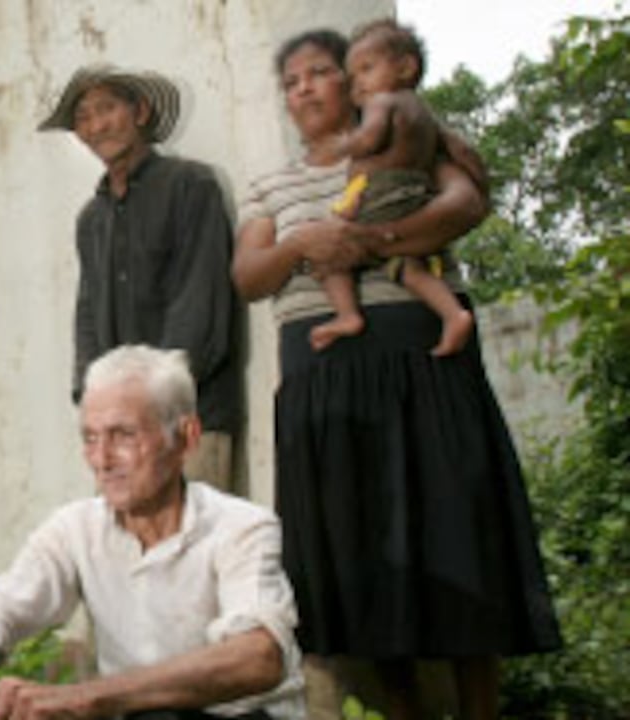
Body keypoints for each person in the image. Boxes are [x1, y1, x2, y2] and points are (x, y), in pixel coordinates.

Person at [231, 28, 560, 720]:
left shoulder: (412, 141)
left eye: (320, 73)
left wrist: (367, 241)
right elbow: (249, 276)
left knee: (461, 541)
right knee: (355, 561)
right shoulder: (270, 185)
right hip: (323, 378)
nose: (305, 89)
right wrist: (299, 242)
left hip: (424, 356)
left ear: (351, 82)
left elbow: (463, 206)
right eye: (291, 82)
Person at [0, 345, 304, 720]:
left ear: (186, 437)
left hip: (245, 717)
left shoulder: (240, 526)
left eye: (124, 435)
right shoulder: (74, 529)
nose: (101, 460)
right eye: (90, 438)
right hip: (137, 713)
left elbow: (260, 658)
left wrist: (81, 700)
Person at [39, 64, 241, 489]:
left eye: (106, 108)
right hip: (120, 428)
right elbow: (89, 314)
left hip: (190, 418)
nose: (96, 125)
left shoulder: (190, 186)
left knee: (192, 550)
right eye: (83, 118)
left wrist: (146, 401)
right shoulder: (91, 220)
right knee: (124, 552)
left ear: (141, 111)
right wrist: (93, 397)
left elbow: (200, 307)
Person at [309, 19, 475, 356]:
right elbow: (462, 152)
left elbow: (369, 138)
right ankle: (453, 314)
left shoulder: (383, 103)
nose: (359, 86)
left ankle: (347, 315)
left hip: (382, 195)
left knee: (329, 256)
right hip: (417, 194)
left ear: (405, 67)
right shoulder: (426, 114)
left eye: (367, 69)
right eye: (353, 79)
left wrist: (340, 146)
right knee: (408, 267)